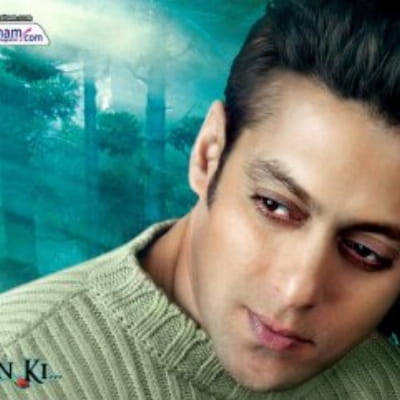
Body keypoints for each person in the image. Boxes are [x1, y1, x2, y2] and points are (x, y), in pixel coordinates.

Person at [0, 0, 399, 398]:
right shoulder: (16, 366)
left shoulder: (382, 382)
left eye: (367, 252)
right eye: (274, 206)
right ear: (209, 154)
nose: (297, 291)